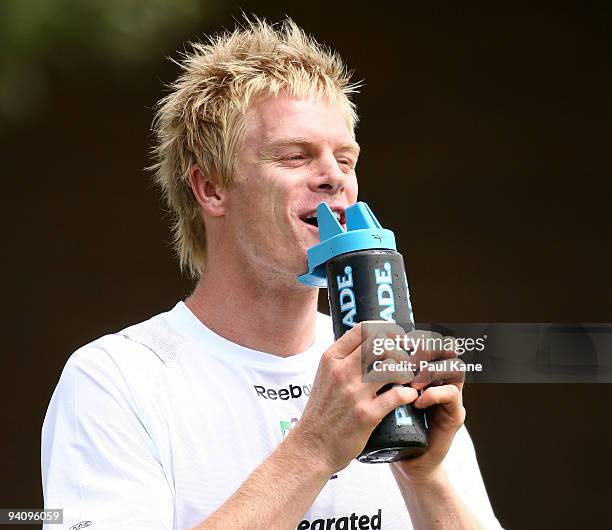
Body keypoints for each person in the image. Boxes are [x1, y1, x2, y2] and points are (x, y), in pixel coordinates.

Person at [41, 17, 503, 530]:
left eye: (346, 159)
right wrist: (313, 448)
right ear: (211, 189)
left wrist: (426, 477)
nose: (334, 178)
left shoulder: (392, 366)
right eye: (295, 156)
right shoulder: (117, 380)